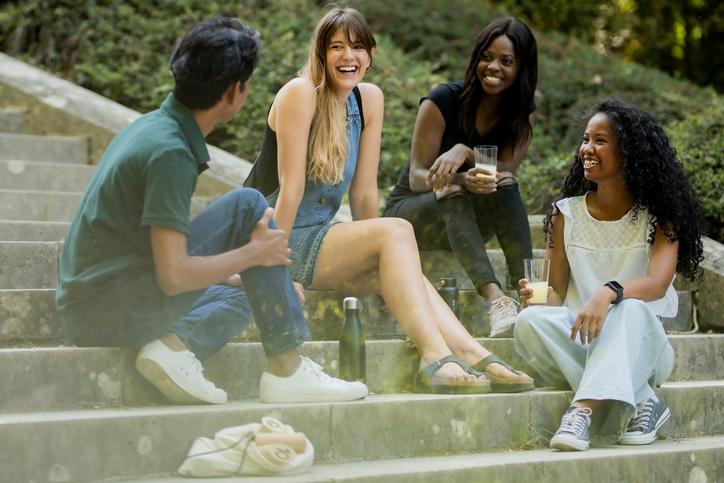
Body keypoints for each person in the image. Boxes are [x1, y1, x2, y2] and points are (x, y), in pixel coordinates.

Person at [55, 17, 368, 406]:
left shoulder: (155, 126)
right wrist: (254, 257)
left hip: (104, 294)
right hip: (107, 310)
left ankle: (189, 347)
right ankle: (283, 368)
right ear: (236, 92)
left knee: (254, 233)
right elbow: (173, 276)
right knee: (257, 242)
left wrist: (246, 269)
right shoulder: (170, 153)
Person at [244, 7, 533, 393]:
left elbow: (364, 192)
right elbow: (290, 188)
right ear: (320, 53)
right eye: (337, 47)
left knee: (397, 255)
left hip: (318, 236)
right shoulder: (299, 93)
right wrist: (274, 269)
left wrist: (379, 259)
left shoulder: (367, 100)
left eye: (358, 47)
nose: (349, 57)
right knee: (396, 230)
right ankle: (434, 356)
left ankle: (469, 349)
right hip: (273, 235)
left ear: (371, 54)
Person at [514, 99, 705, 451]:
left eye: (600, 141)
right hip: (582, 338)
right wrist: (536, 297)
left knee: (630, 308)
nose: (587, 148)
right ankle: (645, 401)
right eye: (586, 139)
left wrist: (609, 292)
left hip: (643, 345)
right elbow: (554, 293)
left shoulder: (660, 216)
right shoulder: (565, 214)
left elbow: (656, 284)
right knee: (528, 322)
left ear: (630, 152)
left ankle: (581, 413)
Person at [383, 17, 538, 338]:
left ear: (521, 67)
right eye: (486, 56)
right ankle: (497, 302)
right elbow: (416, 177)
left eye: (506, 61)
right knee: (451, 190)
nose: (493, 66)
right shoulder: (442, 100)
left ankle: (534, 297)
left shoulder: (521, 111)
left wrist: (467, 153)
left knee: (507, 184)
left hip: (467, 225)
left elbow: (506, 171)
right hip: (412, 216)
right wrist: (464, 181)